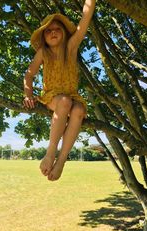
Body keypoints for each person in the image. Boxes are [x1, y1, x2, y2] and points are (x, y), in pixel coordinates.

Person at [23, 0, 96, 181]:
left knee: (78, 109)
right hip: (52, 97)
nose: (53, 32)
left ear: (64, 33)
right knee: (64, 102)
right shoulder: (43, 52)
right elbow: (29, 74)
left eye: (57, 29)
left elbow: (85, 19)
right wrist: (28, 94)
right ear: (43, 36)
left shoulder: (71, 48)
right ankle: (50, 153)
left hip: (72, 95)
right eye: (48, 30)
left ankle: (61, 160)